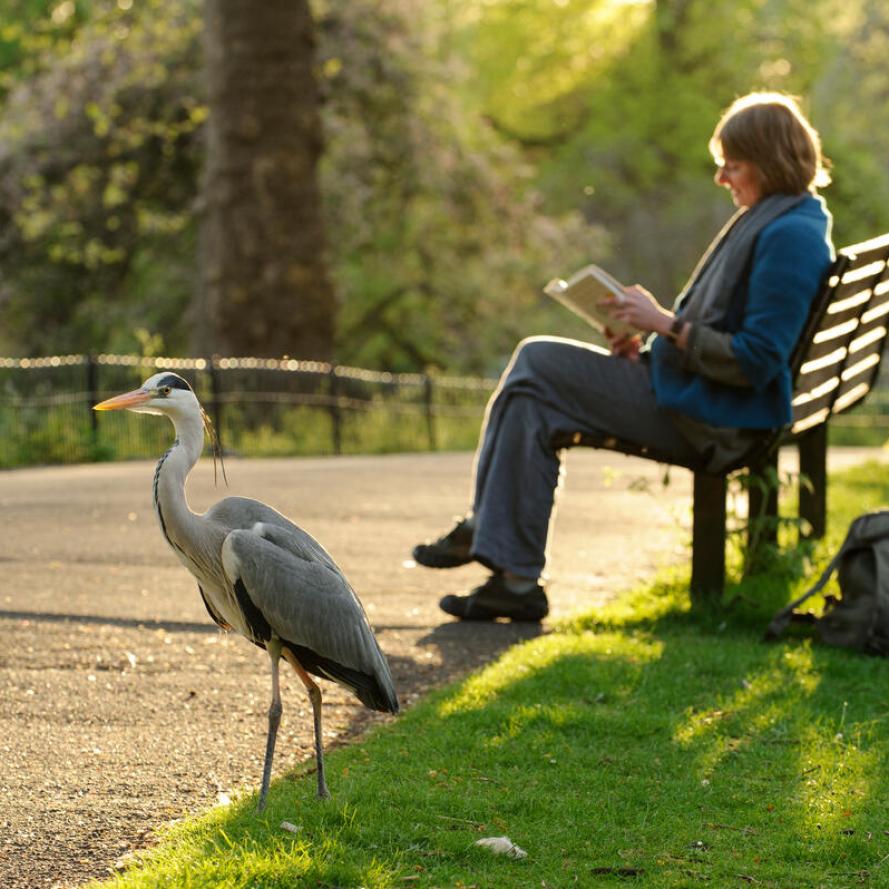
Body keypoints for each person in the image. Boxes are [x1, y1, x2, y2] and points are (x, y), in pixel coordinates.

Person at [412, 91, 835, 622]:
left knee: (536, 361)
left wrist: (665, 324)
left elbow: (757, 359)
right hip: (697, 395)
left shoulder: (790, 235)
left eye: (733, 164)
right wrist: (649, 346)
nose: (722, 177)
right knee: (530, 400)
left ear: (770, 162)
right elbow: (729, 340)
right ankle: (514, 581)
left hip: (717, 419)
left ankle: (489, 533)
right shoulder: (778, 219)